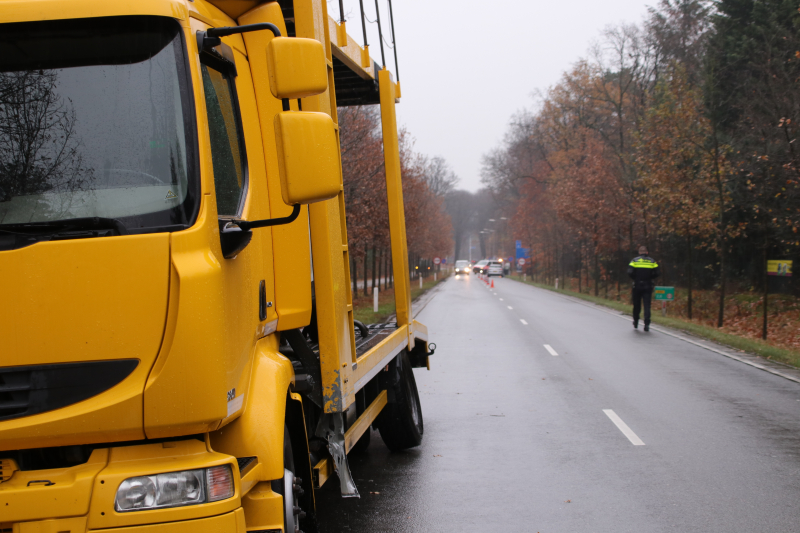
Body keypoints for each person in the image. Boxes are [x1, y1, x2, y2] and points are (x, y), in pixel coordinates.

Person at [627, 245, 660, 331]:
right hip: (648, 285)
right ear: (647, 252)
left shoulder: (634, 260)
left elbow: (629, 272)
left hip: (637, 285)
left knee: (636, 305)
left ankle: (636, 321)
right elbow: (657, 272)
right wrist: (650, 277)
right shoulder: (652, 261)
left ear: (639, 253)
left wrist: (636, 278)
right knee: (647, 305)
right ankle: (647, 324)